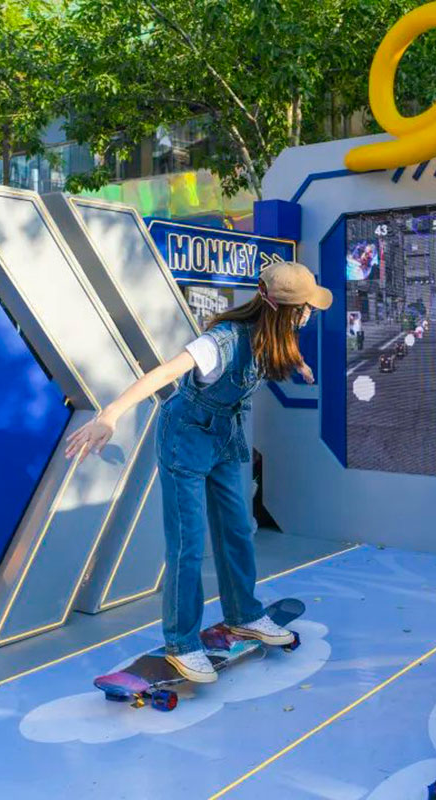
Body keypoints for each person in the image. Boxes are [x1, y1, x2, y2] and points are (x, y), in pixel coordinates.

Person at [64, 262, 332, 683]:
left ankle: (244, 614)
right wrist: (110, 415)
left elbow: (277, 349)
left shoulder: (273, 332)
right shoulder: (219, 342)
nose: (311, 313)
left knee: (237, 529)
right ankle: (182, 642)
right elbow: (164, 374)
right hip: (185, 438)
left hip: (223, 435)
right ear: (285, 310)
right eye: (306, 307)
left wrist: (298, 364)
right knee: (188, 544)